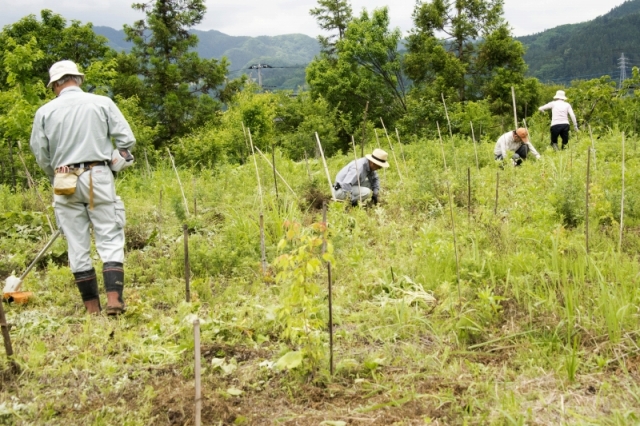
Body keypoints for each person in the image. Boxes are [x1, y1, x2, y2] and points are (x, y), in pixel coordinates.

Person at [30, 60, 136, 316]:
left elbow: (41, 154)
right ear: (77, 79)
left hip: (63, 178)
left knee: (77, 244)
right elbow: (126, 140)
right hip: (97, 174)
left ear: (56, 83)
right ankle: (114, 302)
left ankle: (91, 309)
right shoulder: (101, 103)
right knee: (109, 236)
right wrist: (113, 159)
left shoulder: (44, 112)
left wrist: (55, 173)